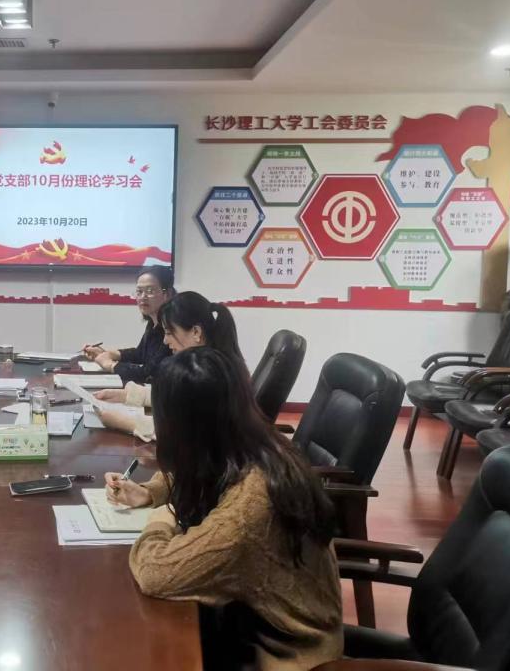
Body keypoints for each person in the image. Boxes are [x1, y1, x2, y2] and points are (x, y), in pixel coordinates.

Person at [105, 348, 342, 669]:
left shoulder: (249, 509)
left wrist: (159, 521)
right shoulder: (255, 445)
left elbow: (155, 575)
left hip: (284, 656)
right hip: (248, 625)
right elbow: (204, 470)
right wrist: (150, 492)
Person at [93, 291, 244, 439]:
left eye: (169, 333)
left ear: (196, 332)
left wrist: (124, 422)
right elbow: (179, 400)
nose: (165, 341)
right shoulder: (211, 362)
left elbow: (183, 432)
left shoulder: (207, 373)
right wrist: (126, 396)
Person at [81, 265, 174, 384]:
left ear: (167, 294)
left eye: (150, 291)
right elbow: (140, 354)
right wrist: (109, 354)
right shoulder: (153, 323)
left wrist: (111, 365)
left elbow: (149, 373)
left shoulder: (172, 328)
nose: (143, 297)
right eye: (139, 291)